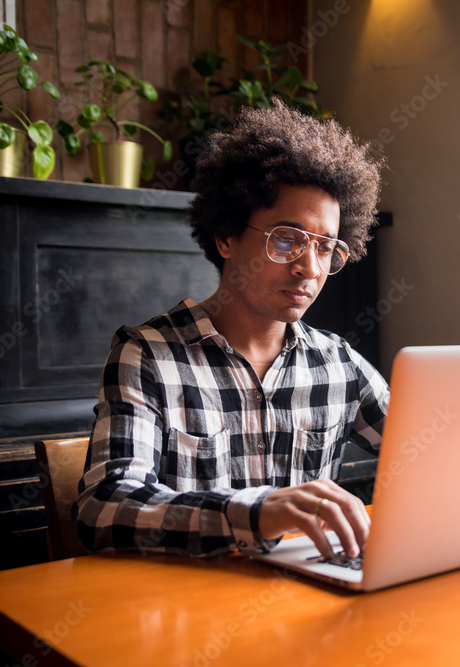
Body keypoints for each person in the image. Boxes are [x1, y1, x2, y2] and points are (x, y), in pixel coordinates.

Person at [73, 102, 388, 560]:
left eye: (326, 248)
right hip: (192, 613)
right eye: (287, 239)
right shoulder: (149, 356)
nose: (309, 267)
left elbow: (431, 450)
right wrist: (256, 512)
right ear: (226, 237)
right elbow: (102, 509)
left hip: (308, 604)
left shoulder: (338, 364)